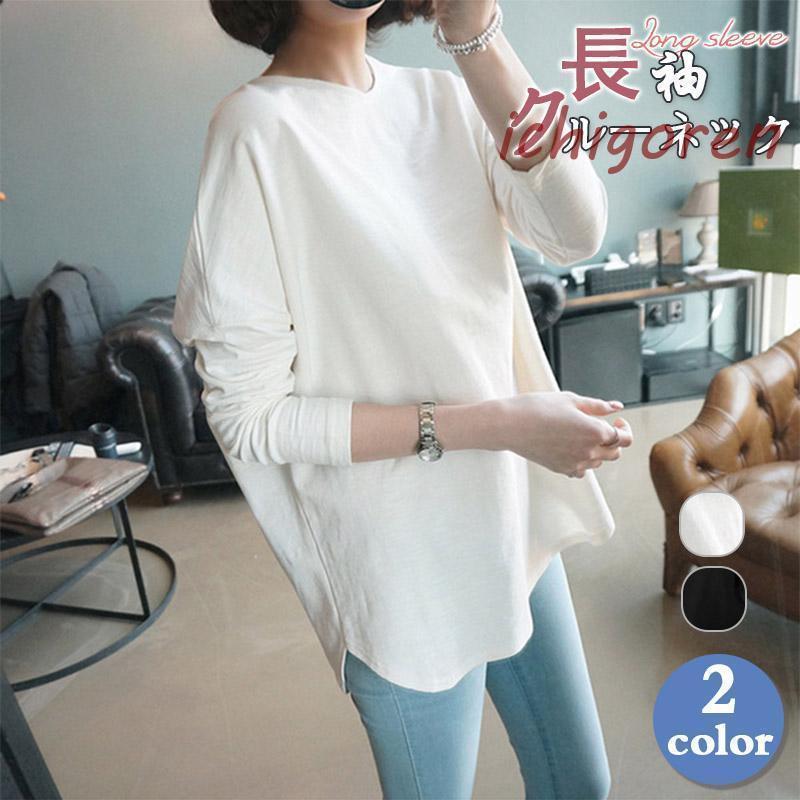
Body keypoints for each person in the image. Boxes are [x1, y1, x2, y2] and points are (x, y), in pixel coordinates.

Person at [172, 1, 634, 797]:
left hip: (508, 521)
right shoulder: (256, 128)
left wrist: (475, 31)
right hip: (399, 565)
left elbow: (575, 229)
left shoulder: (447, 96)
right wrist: (505, 423)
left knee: (580, 784)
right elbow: (252, 417)